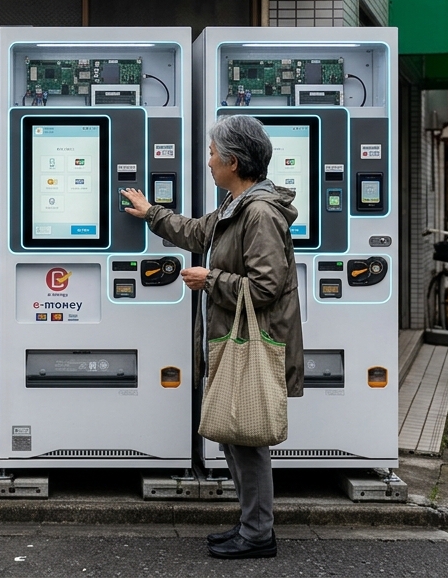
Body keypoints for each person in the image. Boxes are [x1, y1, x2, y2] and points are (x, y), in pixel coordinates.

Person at [121, 114, 302, 560]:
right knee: (231, 433)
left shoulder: (258, 213)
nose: (208, 160)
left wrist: (211, 279)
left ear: (233, 161)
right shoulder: (234, 205)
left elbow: (265, 287)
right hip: (230, 338)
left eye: (211, 153)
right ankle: (248, 524)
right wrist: (152, 215)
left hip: (251, 341)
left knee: (246, 438)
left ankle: (259, 534)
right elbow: (199, 232)